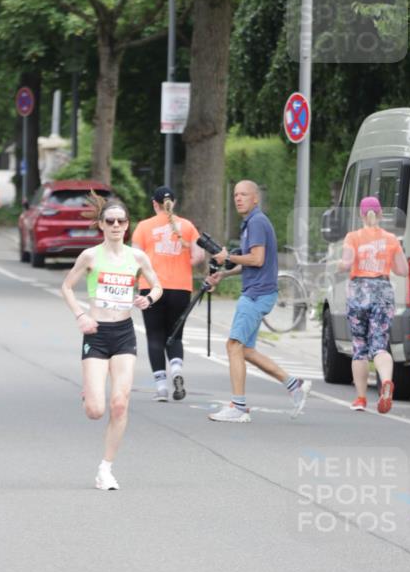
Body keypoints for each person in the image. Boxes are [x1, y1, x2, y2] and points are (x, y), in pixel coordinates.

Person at [61, 194, 162, 490]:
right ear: (102, 226)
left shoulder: (137, 257)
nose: (116, 225)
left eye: (121, 221)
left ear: (127, 225)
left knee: (120, 404)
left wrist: (148, 299)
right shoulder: (90, 256)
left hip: (124, 333)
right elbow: (66, 287)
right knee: (96, 411)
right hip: (96, 333)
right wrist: (80, 315)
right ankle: (89, 392)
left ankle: (106, 469)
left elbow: (157, 286)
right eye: (110, 221)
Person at [206, 180, 311, 422]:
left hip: (255, 295)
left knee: (233, 346)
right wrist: (225, 272)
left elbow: (257, 259)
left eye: (244, 194)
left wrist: (227, 256)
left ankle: (239, 407)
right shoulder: (251, 223)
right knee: (246, 350)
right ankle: (294, 385)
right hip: (260, 291)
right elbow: (252, 263)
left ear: (256, 198)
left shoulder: (256, 222)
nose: (238, 198)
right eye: (235, 195)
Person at [131, 185, 205, 401]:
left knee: (155, 336)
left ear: (154, 204)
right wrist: (183, 263)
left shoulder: (144, 227)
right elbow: (199, 256)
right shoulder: (188, 226)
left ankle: (162, 388)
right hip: (181, 288)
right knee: (175, 336)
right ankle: (177, 370)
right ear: (174, 202)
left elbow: (135, 257)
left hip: (152, 287)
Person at [338, 196, 409, 413]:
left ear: (361, 215)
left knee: (360, 346)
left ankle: (360, 398)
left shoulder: (353, 237)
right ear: (379, 215)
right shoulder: (391, 239)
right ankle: (386, 381)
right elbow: (403, 270)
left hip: (359, 291)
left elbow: (347, 263)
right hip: (383, 290)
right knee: (380, 344)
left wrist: (340, 264)